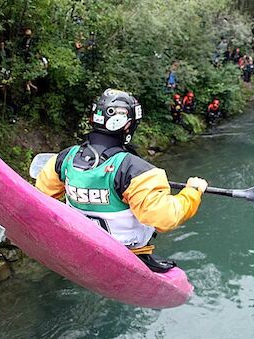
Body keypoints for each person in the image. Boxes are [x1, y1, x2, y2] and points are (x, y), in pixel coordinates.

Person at [35, 89, 208, 272]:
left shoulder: (64, 159)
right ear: (127, 126)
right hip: (129, 252)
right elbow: (165, 218)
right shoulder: (138, 171)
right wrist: (192, 191)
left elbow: (43, 197)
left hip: (81, 240)